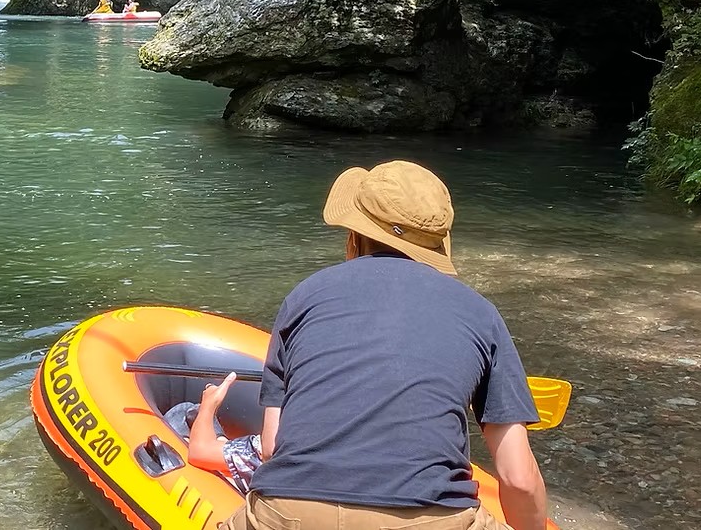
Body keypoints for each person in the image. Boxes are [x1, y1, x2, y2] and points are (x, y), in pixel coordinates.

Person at [213, 160, 547, 530]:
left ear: (354, 237)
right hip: (430, 518)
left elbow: (274, 445)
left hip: (288, 512)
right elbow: (518, 478)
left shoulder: (304, 297)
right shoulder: (481, 314)